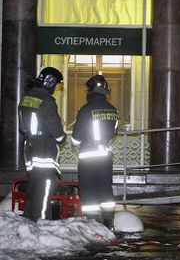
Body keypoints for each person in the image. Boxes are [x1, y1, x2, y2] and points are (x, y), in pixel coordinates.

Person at [18, 67, 66, 222]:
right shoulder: (47, 101)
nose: (55, 88)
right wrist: (61, 137)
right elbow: (57, 132)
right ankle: (41, 223)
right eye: (56, 84)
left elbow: (21, 127)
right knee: (45, 187)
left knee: (33, 186)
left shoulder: (26, 98)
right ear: (50, 82)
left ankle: (28, 220)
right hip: (44, 148)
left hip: (29, 147)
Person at [71, 74, 118, 229]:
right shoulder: (112, 109)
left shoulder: (85, 109)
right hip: (105, 156)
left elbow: (76, 137)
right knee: (105, 187)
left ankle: (91, 222)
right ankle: (108, 221)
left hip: (88, 157)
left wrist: (76, 144)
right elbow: (114, 132)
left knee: (88, 188)